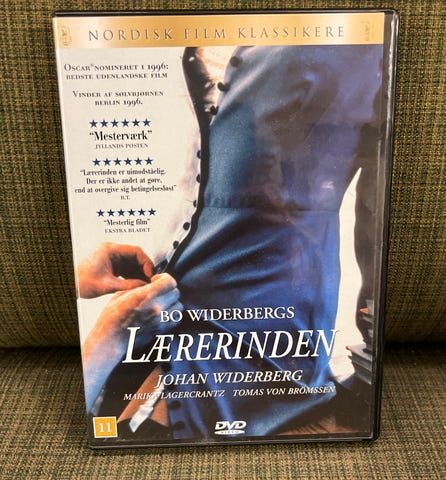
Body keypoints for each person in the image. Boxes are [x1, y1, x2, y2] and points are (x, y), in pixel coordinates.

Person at [79, 43, 383, 441]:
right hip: (146, 332)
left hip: (266, 348)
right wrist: (113, 331)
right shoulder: (187, 47)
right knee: (110, 431)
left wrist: (372, 342)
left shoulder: (356, 47)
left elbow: (377, 209)